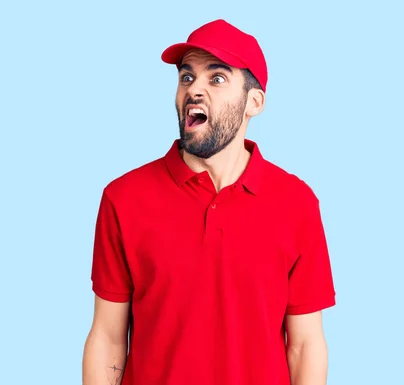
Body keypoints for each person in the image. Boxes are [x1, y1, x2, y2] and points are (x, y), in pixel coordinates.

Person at [82, 19, 337, 385]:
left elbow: (305, 344)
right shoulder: (123, 198)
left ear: (254, 102)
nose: (194, 89)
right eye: (187, 77)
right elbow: (107, 337)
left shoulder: (297, 203)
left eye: (216, 78)